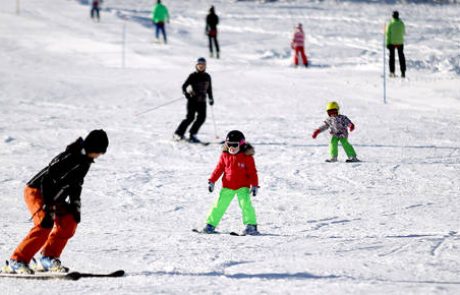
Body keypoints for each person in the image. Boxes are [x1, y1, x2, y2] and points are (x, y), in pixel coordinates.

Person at [2, 130, 109, 274]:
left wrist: (75, 206)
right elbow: (47, 179)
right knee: (45, 223)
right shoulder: (70, 157)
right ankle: (17, 261)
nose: (100, 155)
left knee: (70, 220)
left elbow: (76, 185)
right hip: (37, 191)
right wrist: (48, 204)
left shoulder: (85, 162)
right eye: (100, 151)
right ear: (93, 147)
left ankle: (48, 258)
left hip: (54, 197)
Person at [203, 130, 260, 235]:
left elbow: (252, 172)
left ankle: (251, 226)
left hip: (243, 186)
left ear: (241, 144)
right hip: (227, 186)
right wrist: (212, 181)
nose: (231, 147)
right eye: (229, 144)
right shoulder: (225, 155)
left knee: (245, 205)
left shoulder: (247, 157)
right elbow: (219, 169)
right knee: (219, 205)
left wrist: (255, 185)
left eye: (235, 145)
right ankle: (210, 225)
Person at [174, 57, 214, 143]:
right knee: (190, 118)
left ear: (205, 66)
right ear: (196, 66)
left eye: (203, 65)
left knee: (202, 118)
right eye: (199, 65)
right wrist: (187, 94)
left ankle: (192, 134)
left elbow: (209, 89)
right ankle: (178, 133)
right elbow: (184, 86)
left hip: (202, 102)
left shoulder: (207, 76)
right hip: (192, 101)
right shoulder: (193, 76)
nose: (201, 66)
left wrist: (211, 98)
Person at [386, 11, 406, 78]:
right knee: (401, 57)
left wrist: (387, 43)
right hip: (400, 42)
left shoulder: (391, 23)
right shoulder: (401, 23)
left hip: (392, 42)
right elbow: (404, 32)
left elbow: (388, 34)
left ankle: (392, 72)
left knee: (392, 58)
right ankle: (403, 72)